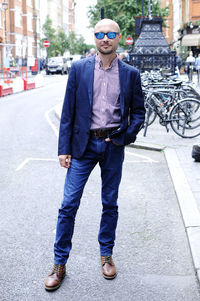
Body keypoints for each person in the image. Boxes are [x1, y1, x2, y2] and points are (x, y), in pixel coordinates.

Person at [45, 18, 145, 291]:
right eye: (100, 33)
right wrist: (63, 149)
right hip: (83, 146)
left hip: (112, 146)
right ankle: (59, 263)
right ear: (94, 37)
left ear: (119, 37)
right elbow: (68, 111)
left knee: (110, 204)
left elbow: (138, 113)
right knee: (68, 205)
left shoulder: (130, 74)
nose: (105, 38)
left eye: (110, 34)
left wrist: (125, 137)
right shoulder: (78, 69)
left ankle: (106, 256)